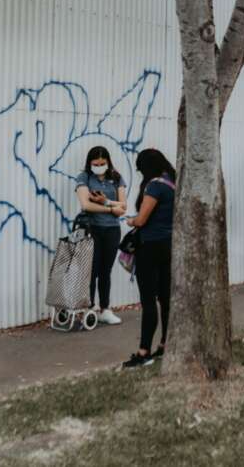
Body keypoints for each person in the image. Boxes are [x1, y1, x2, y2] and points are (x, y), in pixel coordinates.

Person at [123, 149, 176, 368]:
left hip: (149, 246)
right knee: (165, 298)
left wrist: (131, 221)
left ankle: (144, 352)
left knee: (148, 300)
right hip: (168, 245)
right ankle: (165, 343)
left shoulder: (154, 185)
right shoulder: (172, 183)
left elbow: (143, 219)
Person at [75, 146, 128, 325]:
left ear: (108, 162)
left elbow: (124, 208)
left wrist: (105, 201)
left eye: (102, 163)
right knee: (92, 270)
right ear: (90, 163)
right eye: (95, 163)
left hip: (112, 230)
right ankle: (88, 309)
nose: (99, 166)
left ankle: (105, 308)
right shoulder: (84, 177)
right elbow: (85, 205)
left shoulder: (116, 178)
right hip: (93, 229)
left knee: (106, 270)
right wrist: (111, 208)